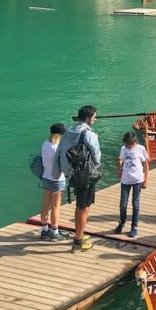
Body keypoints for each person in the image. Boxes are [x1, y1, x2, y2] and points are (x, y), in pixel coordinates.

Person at [53, 105, 101, 253]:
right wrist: (96, 168)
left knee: (80, 205)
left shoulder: (68, 131)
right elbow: (97, 155)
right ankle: (78, 241)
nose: (95, 118)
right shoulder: (88, 133)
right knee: (84, 207)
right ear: (88, 118)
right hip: (85, 175)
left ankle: (79, 233)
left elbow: (59, 152)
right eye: (94, 116)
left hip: (72, 173)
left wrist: (60, 171)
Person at [114, 131, 149, 237]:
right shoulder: (123, 149)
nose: (127, 146)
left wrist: (146, 179)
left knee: (135, 203)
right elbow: (120, 160)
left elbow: (146, 164)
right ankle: (122, 222)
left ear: (133, 142)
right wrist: (119, 166)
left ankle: (134, 226)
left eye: (129, 144)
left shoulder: (141, 149)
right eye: (126, 144)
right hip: (125, 180)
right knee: (123, 204)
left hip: (137, 180)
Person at [39, 122, 68, 242]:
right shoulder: (58, 147)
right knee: (55, 206)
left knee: (46, 203)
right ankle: (55, 232)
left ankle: (44, 229)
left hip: (45, 177)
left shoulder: (45, 144)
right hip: (57, 179)